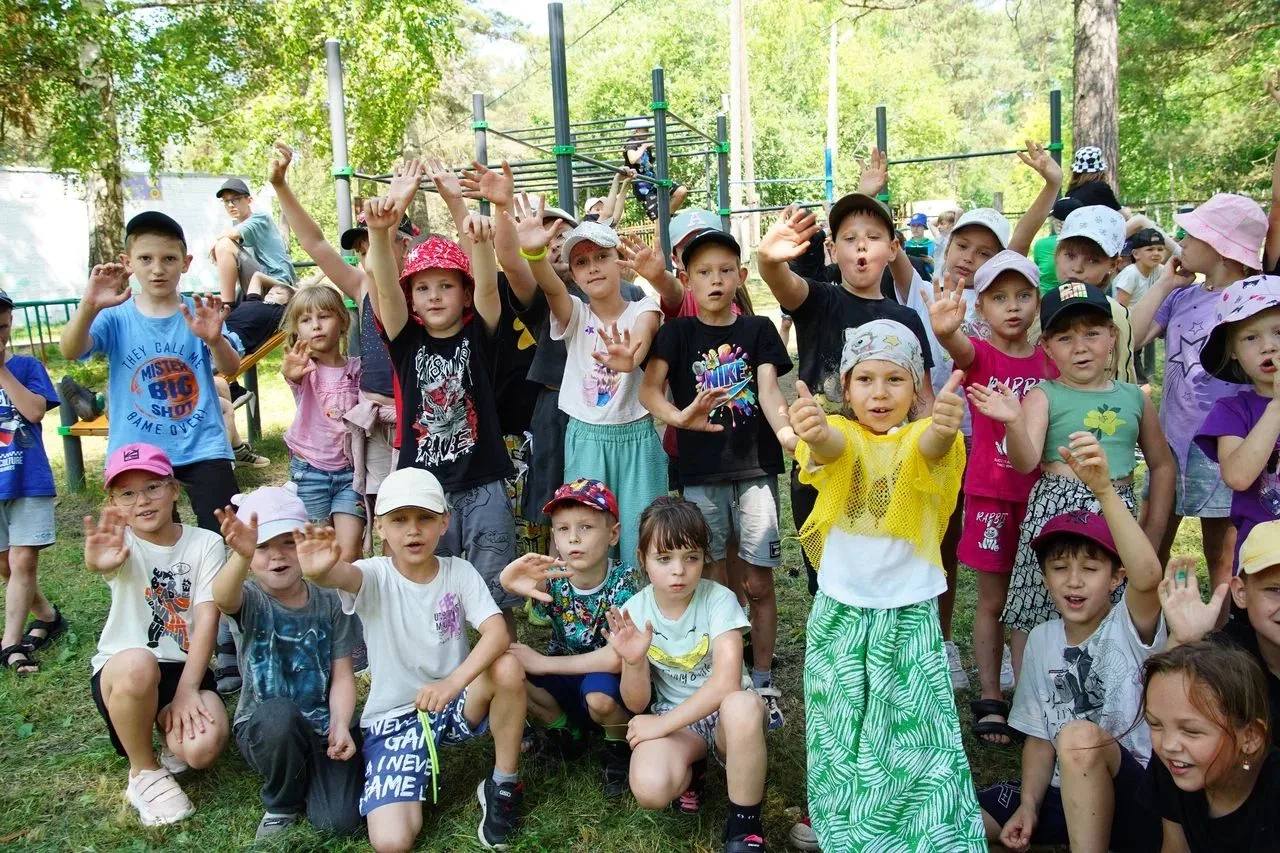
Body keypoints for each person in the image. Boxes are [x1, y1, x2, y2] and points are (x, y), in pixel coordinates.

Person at [787, 319, 983, 850]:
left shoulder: (921, 436)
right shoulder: (843, 435)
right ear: (846, 389)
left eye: (895, 379)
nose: (879, 393)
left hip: (908, 613)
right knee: (838, 725)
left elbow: (933, 449)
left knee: (913, 728)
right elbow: (830, 448)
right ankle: (843, 827)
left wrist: (945, 426)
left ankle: (921, 831)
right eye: (865, 379)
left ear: (917, 389)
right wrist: (814, 431)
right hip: (841, 612)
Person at [293, 467, 528, 851]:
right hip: (394, 720)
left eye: (425, 518)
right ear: (380, 528)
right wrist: (321, 572)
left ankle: (503, 783)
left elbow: (497, 632)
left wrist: (453, 683)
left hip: (455, 701)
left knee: (507, 665)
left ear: (444, 522)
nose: (413, 530)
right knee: (392, 842)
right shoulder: (373, 574)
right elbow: (341, 576)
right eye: (399, 520)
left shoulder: (459, 571)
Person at [978, 436, 1166, 853]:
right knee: (959, 819)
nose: (1074, 581)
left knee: (1080, 739)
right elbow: (1039, 737)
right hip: (1059, 792)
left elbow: (1148, 576)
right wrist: (1028, 806)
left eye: (1091, 568)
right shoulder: (1042, 639)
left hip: (1131, 793)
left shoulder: (1131, 626)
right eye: (1060, 567)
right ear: (1045, 578)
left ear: (1116, 578)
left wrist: (1104, 491)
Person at [981, 281, 1173, 676]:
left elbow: (1162, 464)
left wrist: (1152, 534)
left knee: (1114, 605)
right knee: (1036, 603)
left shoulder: (1134, 398)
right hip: (1055, 510)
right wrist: (1014, 423)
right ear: (1047, 347)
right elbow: (1025, 461)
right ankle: (1031, 691)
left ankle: (1108, 688)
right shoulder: (1043, 395)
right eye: (1065, 338)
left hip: (1114, 511)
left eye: (1092, 333)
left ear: (1112, 336)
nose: (1080, 347)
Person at [640, 227, 792, 723]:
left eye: (726, 270)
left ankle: (762, 676)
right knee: (709, 577)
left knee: (759, 580)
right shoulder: (676, 333)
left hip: (756, 471)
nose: (716, 280)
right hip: (699, 474)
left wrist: (789, 436)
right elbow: (649, 390)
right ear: (687, 279)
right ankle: (719, 670)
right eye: (704, 271)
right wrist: (681, 418)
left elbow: (769, 390)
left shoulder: (759, 330)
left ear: (741, 276)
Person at [756, 193, 937, 605]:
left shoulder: (907, 318)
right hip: (821, 470)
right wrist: (767, 259)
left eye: (873, 237)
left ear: (893, 248)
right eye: (850, 238)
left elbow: (922, 399)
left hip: (886, 472)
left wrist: (929, 445)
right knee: (828, 585)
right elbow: (781, 280)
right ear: (832, 249)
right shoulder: (818, 299)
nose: (861, 246)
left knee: (883, 581)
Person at [364, 161, 520, 636]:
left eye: (446, 285)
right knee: (429, 592)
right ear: (412, 299)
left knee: (496, 594)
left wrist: (479, 241)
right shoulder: (405, 339)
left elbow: (489, 285)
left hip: (484, 483)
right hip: (422, 491)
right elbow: (384, 287)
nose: (434, 296)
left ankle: (502, 666)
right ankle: (439, 663)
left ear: (464, 295)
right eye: (423, 288)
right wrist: (380, 231)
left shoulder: (480, 336)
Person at [927, 252, 1053, 745]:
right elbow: (957, 346)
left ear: (1038, 300)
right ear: (981, 307)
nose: (1013, 307)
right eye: (999, 298)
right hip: (991, 496)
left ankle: (1032, 694)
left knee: (1036, 599)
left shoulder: (1050, 360)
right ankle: (991, 696)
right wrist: (945, 331)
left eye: (1022, 295)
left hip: (1042, 496)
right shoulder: (980, 355)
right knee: (993, 599)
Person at [267, 141, 420, 527]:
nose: (367, 256)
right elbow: (315, 243)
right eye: (362, 250)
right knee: (382, 513)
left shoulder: (422, 290)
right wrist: (281, 186)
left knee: (416, 503)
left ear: (404, 244)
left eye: (375, 245)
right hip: (374, 415)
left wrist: (396, 205)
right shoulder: (362, 286)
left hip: (414, 412)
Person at [60, 212, 243, 530]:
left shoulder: (197, 313)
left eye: (169, 258)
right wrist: (88, 306)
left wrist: (215, 340)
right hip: (137, 450)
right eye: (145, 258)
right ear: (127, 262)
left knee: (225, 532)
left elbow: (231, 367)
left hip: (202, 445)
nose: (157, 269)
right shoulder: (115, 316)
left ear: (185, 263)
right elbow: (70, 350)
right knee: (152, 539)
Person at [1129, 193, 1271, 590]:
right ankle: (1144, 618)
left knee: (1222, 553)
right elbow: (1131, 338)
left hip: (1226, 443)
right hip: (1170, 443)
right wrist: (1165, 284)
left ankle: (1222, 623)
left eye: (1193, 235)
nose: (1181, 242)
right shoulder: (1181, 295)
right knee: (1151, 537)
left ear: (1222, 249)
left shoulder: (1253, 302)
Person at [85, 443, 230, 826]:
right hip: (124, 672)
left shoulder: (206, 543)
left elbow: (207, 618)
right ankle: (143, 771)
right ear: (114, 503)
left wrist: (187, 690)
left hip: (183, 668)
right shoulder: (120, 543)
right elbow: (104, 562)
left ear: (174, 489)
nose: (142, 501)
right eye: (127, 494)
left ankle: (166, 729)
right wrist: (98, 563)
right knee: (139, 663)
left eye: (152, 487)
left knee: (202, 750)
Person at [614, 496, 770, 853]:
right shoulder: (635, 610)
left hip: (728, 719)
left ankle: (745, 827)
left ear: (704, 557)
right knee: (650, 787)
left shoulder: (719, 600)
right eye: (664, 558)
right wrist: (634, 662)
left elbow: (726, 683)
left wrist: (660, 726)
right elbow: (636, 703)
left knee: (741, 706)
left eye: (691, 557)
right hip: (681, 721)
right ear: (642, 558)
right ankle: (693, 769)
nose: (679, 571)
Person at [512, 208, 665, 566]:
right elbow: (551, 288)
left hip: (637, 436)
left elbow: (643, 332)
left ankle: (643, 601)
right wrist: (534, 254)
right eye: (581, 262)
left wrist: (630, 356)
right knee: (588, 538)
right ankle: (589, 601)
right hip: (586, 438)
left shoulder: (644, 307)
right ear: (574, 275)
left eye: (601, 257)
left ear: (619, 261)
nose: (593, 267)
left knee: (643, 537)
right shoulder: (575, 313)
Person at [211, 484, 363, 841]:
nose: (276, 555)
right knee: (279, 715)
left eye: (288, 542)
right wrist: (240, 558)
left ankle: (309, 773)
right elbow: (222, 598)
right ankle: (282, 803)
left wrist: (340, 724)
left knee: (340, 822)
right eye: (262, 546)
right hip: (266, 728)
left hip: (321, 727)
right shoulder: (250, 599)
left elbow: (343, 675)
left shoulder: (331, 601)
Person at [500, 479, 639, 796]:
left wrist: (544, 664)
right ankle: (567, 732)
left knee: (600, 699)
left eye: (586, 527)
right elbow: (513, 587)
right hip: (563, 677)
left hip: (607, 681)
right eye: (563, 529)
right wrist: (507, 581)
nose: (573, 538)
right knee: (509, 671)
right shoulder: (553, 580)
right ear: (554, 537)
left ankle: (618, 748)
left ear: (613, 534)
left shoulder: (625, 582)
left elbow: (617, 659)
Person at [1138, 641, 1279, 852]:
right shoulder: (1174, 765)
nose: (1168, 745)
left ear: (1250, 737)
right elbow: (1175, 847)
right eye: (1155, 724)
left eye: (1191, 731)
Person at [1159, 521, 1280, 743]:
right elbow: (1166, 716)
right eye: (1275, 590)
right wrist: (1183, 641)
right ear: (1241, 592)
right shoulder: (1229, 652)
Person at [1193, 275, 1280, 573]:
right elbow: (1238, 477)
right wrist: (1276, 407)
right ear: (1233, 350)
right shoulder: (1231, 411)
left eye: (1278, 332)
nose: (1268, 346)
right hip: (1260, 559)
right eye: (1251, 338)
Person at [0, 288, 63, 675]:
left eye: (2, 327)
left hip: (26, 478)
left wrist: (1, 370)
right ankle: (48, 616)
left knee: (22, 560)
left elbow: (35, 411)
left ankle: (10, 644)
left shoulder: (25, 367)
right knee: (6, 566)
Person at [279, 285, 364, 562]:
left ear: (343, 321)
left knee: (349, 552)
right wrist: (291, 372)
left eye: (324, 316)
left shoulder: (358, 368)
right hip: (310, 472)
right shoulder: (305, 370)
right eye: (306, 320)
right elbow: (292, 375)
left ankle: (351, 592)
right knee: (318, 554)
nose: (316, 325)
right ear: (297, 330)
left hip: (351, 474)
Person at [1051, 204, 1139, 383]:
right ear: (1057, 253)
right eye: (1070, 255)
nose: (1077, 268)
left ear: (1113, 265)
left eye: (1092, 260)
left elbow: (1123, 378)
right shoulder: (1039, 311)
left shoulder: (1117, 314)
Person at [211, 177, 297, 304]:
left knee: (224, 245)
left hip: (277, 283)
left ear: (249, 200)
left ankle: (227, 306)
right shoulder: (237, 228)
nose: (231, 205)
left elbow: (233, 234)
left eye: (236, 199)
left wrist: (216, 243)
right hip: (257, 285)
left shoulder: (261, 218)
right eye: (226, 201)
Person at [1114, 227, 1167, 381]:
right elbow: (1120, 308)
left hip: (1141, 327)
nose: (1156, 253)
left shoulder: (1159, 270)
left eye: (1160, 249)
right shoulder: (1131, 274)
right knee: (1131, 371)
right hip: (1125, 329)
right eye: (1150, 249)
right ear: (1136, 254)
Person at [622, 118, 688, 220]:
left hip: (655, 182)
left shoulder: (645, 145)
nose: (648, 132)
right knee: (658, 221)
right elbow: (632, 159)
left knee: (681, 191)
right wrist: (644, 146)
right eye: (645, 130)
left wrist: (664, 156)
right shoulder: (631, 143)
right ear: (636, 131)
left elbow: (650, 164)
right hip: (643, 188)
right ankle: (664, 220)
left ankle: (667, 218)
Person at [1034, 198, 1079, 295]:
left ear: (1054, 220)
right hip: (1078, 296)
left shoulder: (1041, 245)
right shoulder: (1088, 246)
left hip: (1046, 299)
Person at [904, 212, 936, 278]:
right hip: (908, 278)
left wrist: (931, 261)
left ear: (924, 227)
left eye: (919, 225)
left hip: (926, 279)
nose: (915, 228)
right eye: (913, 225)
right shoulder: (904, 244)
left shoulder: (933, 245)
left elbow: (940, 270)